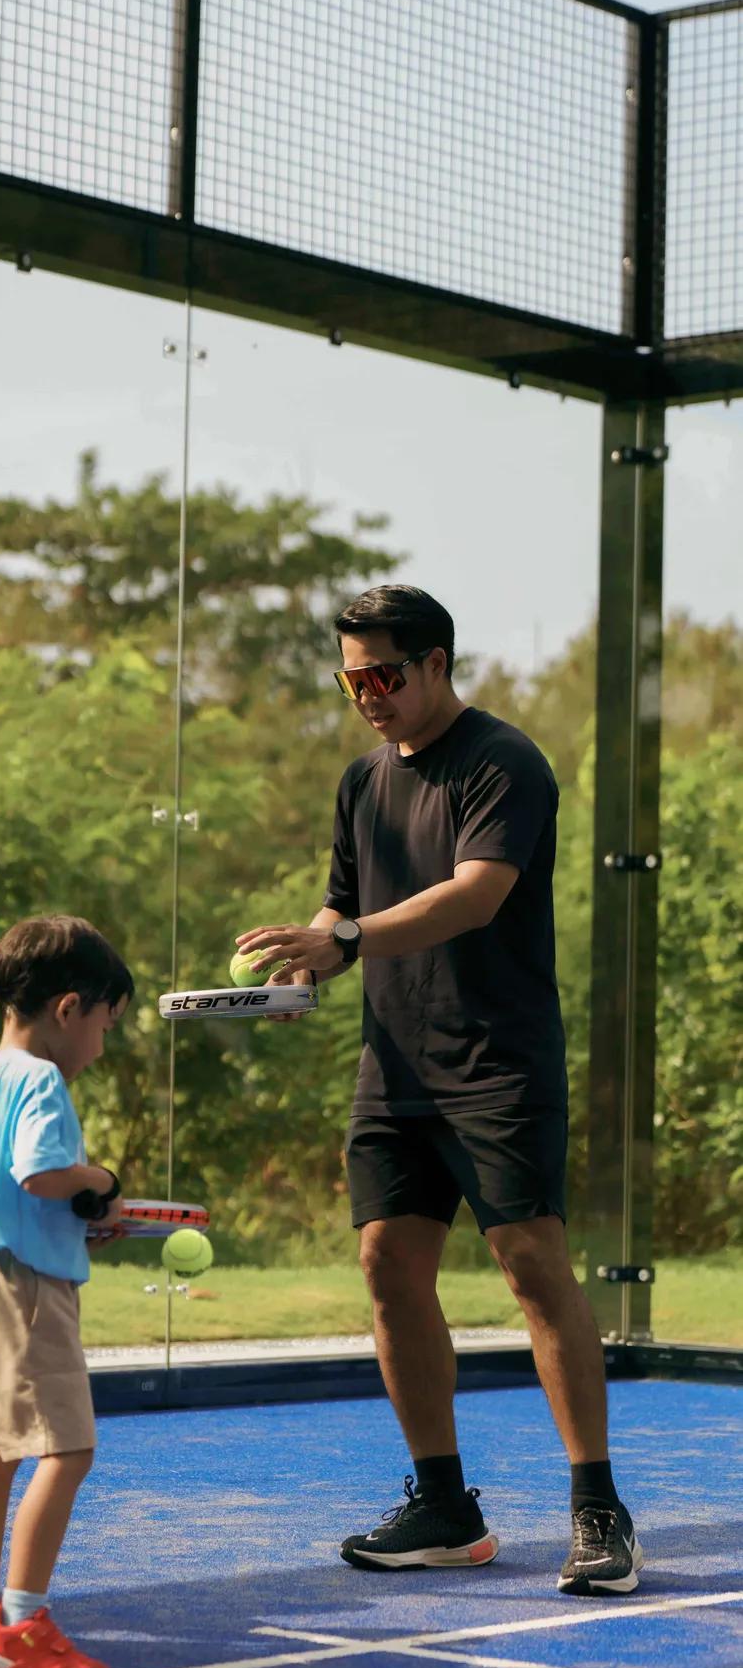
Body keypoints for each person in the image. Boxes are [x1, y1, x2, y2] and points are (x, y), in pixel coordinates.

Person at [236, 585, 640, 1597]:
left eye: (381, 674)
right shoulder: (361, 780)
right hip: (394, 1068)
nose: (364, 694)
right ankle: (444, 1504)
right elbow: (345, 900)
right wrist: (310, 958)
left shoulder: (504, 762)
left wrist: (350, 936)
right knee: (384, 1265)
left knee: (531, 1265)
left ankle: (597, 1508)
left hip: (497, 1064)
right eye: (348, 677)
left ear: (435, 664)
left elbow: (474, 892)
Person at [0, 915, 133, 1668]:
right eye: (104, 1028)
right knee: (67, 1449)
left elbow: (8, 1188)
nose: (100, 1048)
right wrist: (99, 1181)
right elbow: (41, 1172)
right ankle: (19, 1625)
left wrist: (75, 1225)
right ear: (69, 1008)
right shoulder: (42, 1079)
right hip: (25, 1291)